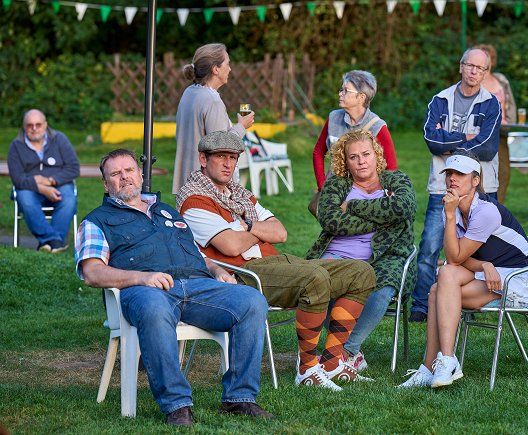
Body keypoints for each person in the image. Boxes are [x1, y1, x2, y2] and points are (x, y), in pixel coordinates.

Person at [75, 149, 272, 427]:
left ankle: (239, 399)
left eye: (129, 171)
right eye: (115, 174)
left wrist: (216, 270)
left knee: (252, 302)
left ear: (141, 174)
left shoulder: (166, 211)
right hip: (146, 291)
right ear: (106, 184)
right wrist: (140, 278)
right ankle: (177, 405)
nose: (125, 178)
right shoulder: (96, 221)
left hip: (198, 286)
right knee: (154, 309)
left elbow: (195, 254)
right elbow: (91, 272)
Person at [176, 131, 376, 390]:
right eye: (221, 157)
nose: (228, 164)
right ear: (203, 159)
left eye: (233, 158)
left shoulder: (240, 195)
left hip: (276, 263)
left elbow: (280, 232)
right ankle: (307, 370)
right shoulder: (195, 201)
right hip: (243, 275)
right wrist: (256, 231)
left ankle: (330, 362)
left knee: (361, 272)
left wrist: (244, 225)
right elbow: (230, 245)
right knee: (314, 279)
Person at [398, 151, 528, 388]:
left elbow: (454, 256)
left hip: (519, 276)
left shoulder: (485, 211)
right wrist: (485, 265)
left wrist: (449, 215)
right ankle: (431, 366)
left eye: (461, 174)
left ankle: (444, 361)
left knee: (439, 292)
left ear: (475, 180)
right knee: (442, 281)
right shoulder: (453, 208)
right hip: (491, 271)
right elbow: (454, 260)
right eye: (450, 173)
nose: (453, 178)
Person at [306, 129, 416, 371]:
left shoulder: (396, 180)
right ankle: (348, 353)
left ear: (376, 155)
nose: (361, 161)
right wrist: (380, 217)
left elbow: (404, 206)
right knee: (313, 285)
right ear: (345, 161)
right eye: (353, 157)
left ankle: (346, 349)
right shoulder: (338, 183)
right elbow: (332, 220)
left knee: (383, 286)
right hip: (336, 253)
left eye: (366, 154)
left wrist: (354, 205)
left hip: (384, 257)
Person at [409, 48, 502, 323]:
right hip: (443, 186)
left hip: (479, 188)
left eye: (480, 68)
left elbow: (487, 147)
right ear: (461, 66)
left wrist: (449, 141)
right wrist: (465, 137)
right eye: (470, 65)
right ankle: (422, 304)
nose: (474, 71)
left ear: (486, 73)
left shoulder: (491, 103)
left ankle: (467, 301)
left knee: (477, 248)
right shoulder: (440, 99)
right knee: (430, 247)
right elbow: (430, 139)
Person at [173, 43, 254, 193]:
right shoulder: (212, 100)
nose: (230, 69)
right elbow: (220, 147)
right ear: (216, 69)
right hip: (206, 187)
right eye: (227, 64)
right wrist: (242, 126)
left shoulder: (189, 92)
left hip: (187, 182)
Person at [312, 70, 397, 196]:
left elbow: (391, 167)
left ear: (361, 97)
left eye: (346, 91)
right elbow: (318, 152)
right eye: (341, 90)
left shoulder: (377, 126)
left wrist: (388, 194)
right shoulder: (333, 118)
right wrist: (322, 185)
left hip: (366, 196)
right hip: (334, 194)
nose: (340, 94)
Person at [8, 109, 80, 252]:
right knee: (25, 199)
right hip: (29, 189)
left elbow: (73, 168)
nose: (34, 128)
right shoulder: (16, 146)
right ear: (24, 126)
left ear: (45, 125)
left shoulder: (59, 139)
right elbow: (17, 179)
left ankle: (49, 243)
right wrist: (41, 188)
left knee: (69, 199)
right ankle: (55, 242)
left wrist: (50, 181)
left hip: (59, 184)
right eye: (29, 125)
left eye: (38, 124)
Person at [477, 44, 517, 204]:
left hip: (501, 132)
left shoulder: (500, 79)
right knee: (479, 171)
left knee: (504, 171)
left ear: (492, 61)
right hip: (479, 133)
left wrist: (511, 122)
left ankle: (496, 207)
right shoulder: (474, 80)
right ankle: (475, 207)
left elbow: (510, 102)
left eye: (488, 58)